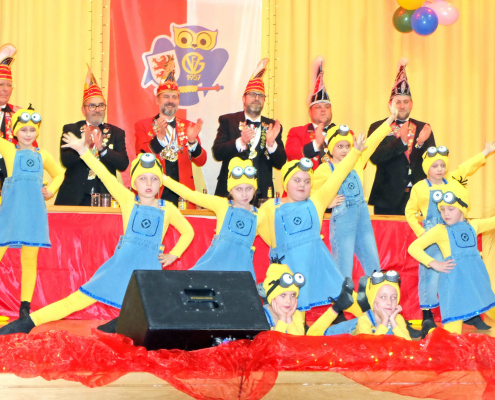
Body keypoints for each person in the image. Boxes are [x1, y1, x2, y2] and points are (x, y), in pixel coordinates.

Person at [0, 134, 194, 336]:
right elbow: (104, 175)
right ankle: (29, 321)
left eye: (154, 179)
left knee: (153, 310)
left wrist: (174, 254)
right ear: (134, 183)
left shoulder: (168, 209)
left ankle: (118, 323)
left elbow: (188, 231)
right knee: (75, 301)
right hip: (119, 268)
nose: (148, 183)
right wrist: (83, 150)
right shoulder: (127, 200)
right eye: (143, 178)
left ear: (160, 183)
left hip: (147, 273)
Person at [257, 134, 366, 314]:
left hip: (318, 265)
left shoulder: (317, 201)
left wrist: (355, 152)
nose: (302, 185)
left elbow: (338, 175)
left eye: (307, 181)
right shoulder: (270, 206)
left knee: (345, 298)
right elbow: (255, 229)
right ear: (286, 183)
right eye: (297, 180)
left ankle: (369, 319)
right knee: (294, 313)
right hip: (287, 269)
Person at [405, 141, 495, 330]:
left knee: (462, 272)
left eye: (442, 165)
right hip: (432, 235)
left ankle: (471, 314)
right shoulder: (419, 187)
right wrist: (421, 233)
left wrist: (485, 153)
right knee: (430, 274)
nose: (439, 169)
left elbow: (466, 168)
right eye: (435, 166)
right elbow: (410, 212)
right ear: (427, 167)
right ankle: (427, 314)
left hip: (454, 233)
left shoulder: (452, 180)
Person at [312, 99, 399, 278]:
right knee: (343, 266)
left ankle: (375, 294)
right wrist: (327, 203)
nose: (344, 150)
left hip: (363, 218)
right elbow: (312, 194)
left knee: (373, 265)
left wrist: (392, 118)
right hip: (342, 221)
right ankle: (340, 296)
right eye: (339, 146)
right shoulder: (324, 169)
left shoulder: (357, 160)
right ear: (330, 148)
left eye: (347, 146)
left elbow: (373, 140)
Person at [0, 106, 64, 319]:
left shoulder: (42, 155)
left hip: (34, 214)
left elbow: (59, 174)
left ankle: (24, 309)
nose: (28, 134)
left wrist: (50, 191)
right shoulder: (8, 149)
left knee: (29, 260)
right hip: (10, 214)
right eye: (23, 129)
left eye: (32, 130)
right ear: (14, 131)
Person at [163, 157, 261, 280]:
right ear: (230, 190)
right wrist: (162, 178)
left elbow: (274, 240)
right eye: (239, 189)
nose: (244, 194)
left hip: (241, 275)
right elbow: (189, 194)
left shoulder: (260, 215)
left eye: (249, 188)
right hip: (214, 269)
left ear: (254, 189)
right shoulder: (221, 204)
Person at [135, 57, 207, 208]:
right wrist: (159, 139)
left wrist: (193, 142)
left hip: (183, 196)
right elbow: (142, 157)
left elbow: (201, 161)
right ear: (157, 100)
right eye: (166, 96)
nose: (170, 100)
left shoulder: (189, 126)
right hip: (155, 194)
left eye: (174, 97)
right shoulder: (143, 125)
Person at [212, 59, 286, 201]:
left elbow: (280, 163)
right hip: (230, 193)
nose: (256, 98)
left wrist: (271, 145)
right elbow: (217, 153)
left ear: (264, 100)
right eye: (252, 94)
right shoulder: (228, 120)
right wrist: (240, 142)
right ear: (243, 98)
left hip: (262, 195)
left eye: (260, 96)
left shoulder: (272, 126)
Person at [368, 59, 435, 215]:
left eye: (406, 101)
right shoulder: (378, 127)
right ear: (390, 104)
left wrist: (419, 144)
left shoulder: (423, 128)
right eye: (398, 102)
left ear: (411, 104)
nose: (402, 106)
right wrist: (401, 143)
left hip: (417, 196)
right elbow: (375, 157)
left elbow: (433, 161)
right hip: (386, 198)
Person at [55, 65, 129, 206]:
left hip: (105, 197)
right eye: (92, 106)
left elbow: (123, 164)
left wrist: (102, 149)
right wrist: (84, 146)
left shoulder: (116, 132)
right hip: (74, 197)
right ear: (83, 110)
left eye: (101, 105)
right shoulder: (71, 129)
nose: (97, 110)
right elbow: (66, 161)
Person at [308, 271, 411, 340]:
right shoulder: (363, 320)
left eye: (393, 297)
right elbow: (371, 348)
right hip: (350, 333)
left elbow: (408, 344)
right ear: (372, 300)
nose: (389, 302)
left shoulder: (397, 319)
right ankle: (338, 306)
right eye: (383, 297)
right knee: (313, 336)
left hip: (370, 321)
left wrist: (392, 321)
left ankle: (362, 303)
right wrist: (384, 321)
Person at [286, 56, 347, 169]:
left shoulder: (345, 132)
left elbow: (361, 164)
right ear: (310, 112)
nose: (323, 109)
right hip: (309, 180)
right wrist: (315, 144)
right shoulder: (297, 132)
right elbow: (291, 155)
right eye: (318, 107)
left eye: (327, 107)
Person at [261, 262, 306, 335]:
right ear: (272, 297)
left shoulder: (296, 314)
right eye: (283, 295)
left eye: (293, 295)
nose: (289, 301)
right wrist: (282, 320)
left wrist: (288, 319)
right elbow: (272, 342)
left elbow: (298, 340)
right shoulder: (261, 315)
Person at [0, 43, 22, 189]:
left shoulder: (19, 113)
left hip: (11, 178)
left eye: (9, 85)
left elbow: (30, 147)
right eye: (1, 84)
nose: (5, 89)